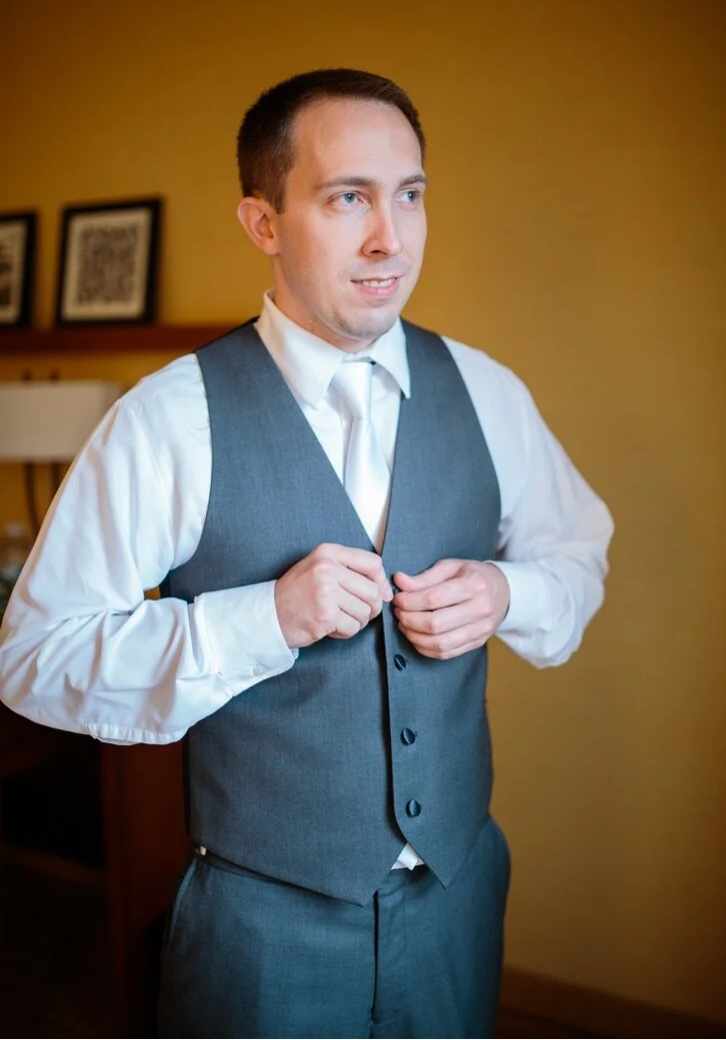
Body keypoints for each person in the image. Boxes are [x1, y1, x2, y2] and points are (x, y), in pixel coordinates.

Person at [0, 68, 613, 1036]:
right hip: (259, 930)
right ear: (264, 222)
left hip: (458, 893)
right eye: (347, 198)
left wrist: (506, 589)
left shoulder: (489, 392)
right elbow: (33, 658)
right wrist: (263, 618)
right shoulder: (169, 419)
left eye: (410, 194)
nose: (391, 238)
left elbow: (579, 556)